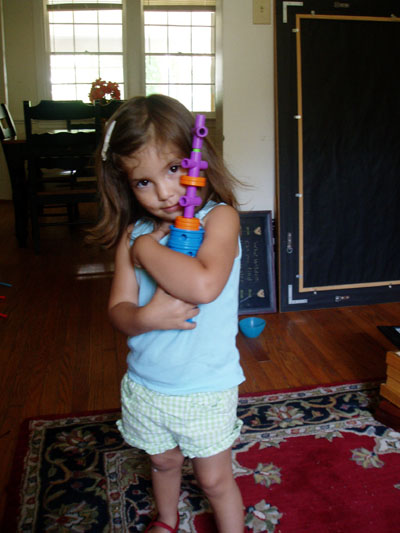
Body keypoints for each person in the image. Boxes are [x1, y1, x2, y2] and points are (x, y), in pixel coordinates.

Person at [89, 94, 245, 533]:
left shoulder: (219, 220)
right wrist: (147, 318)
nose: (164, 193)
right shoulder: (133, 232)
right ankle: (168, 519)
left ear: (198, 159)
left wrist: (145, 249)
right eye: (143, 181)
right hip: (147, 384)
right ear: (125, 183)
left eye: (175, 168)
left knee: (214, 480)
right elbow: (119, 311)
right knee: (162, 462)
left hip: (205, 387)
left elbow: (203, 286)